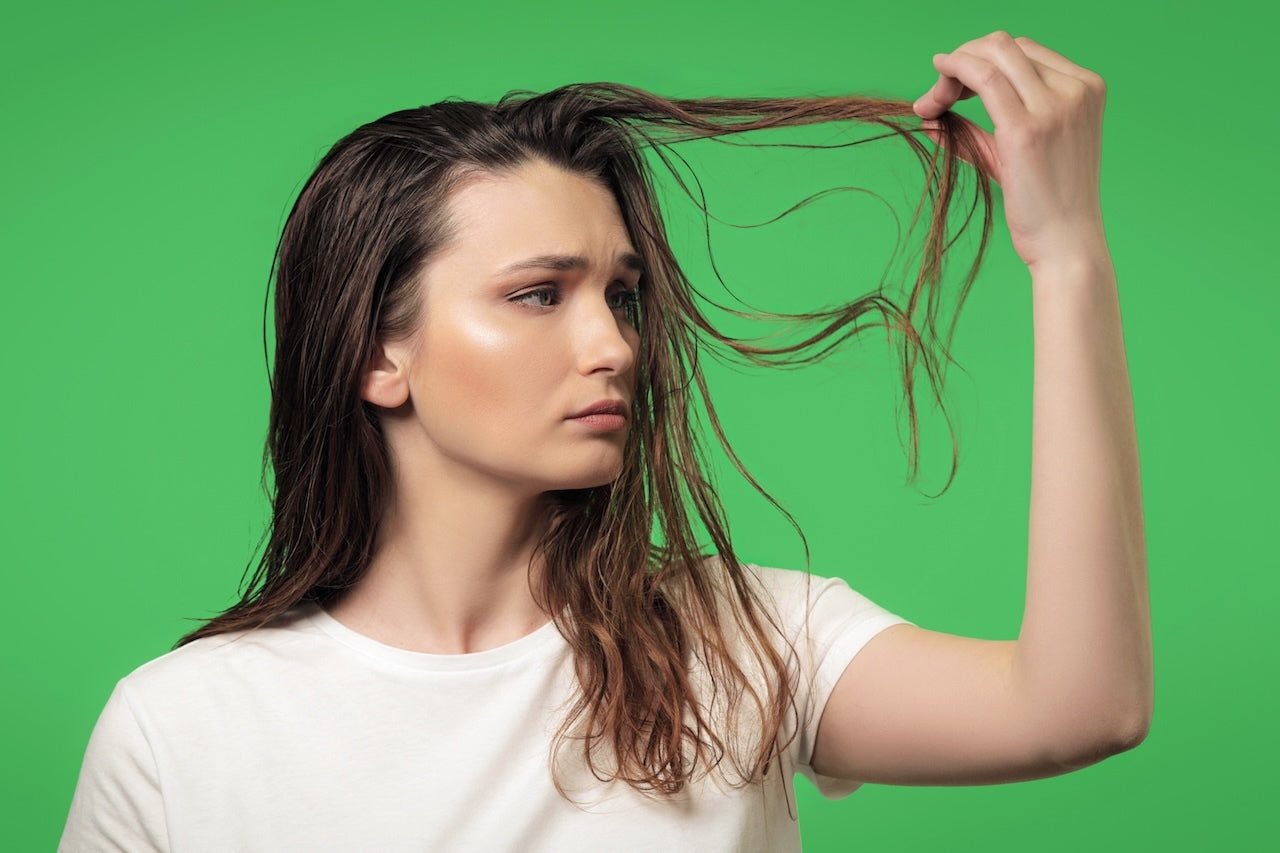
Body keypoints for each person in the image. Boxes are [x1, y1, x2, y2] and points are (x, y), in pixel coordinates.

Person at [59, 31, 1152, 852]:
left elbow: (1077, 706)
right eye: (538, 294)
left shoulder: (743, 644)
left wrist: (1066, 258)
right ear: (375, 356)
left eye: (620, 296)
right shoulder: (180, 727)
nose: (613, 345)